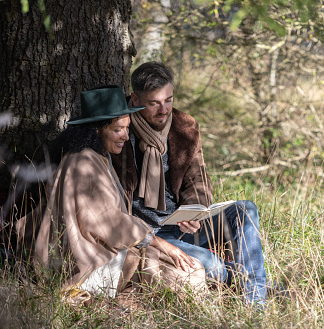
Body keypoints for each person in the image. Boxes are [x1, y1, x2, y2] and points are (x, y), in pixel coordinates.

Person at [15, 85, 206, 302]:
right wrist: (162, 244)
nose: (125, 136)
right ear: (96, 130)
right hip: (87, 260)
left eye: (127, 128)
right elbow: (104, 220)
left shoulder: (97, 157)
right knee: (186, 274)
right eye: (118, 130)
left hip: (106, 250)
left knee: (190, 269)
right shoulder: (82, 162)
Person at [111, 62, 268, 305]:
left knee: (245, 209)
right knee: (213, 267)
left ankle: (255, 304)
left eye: (169, 100)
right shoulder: (119, 128)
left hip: (181, 224)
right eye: (154, 103)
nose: (164, 110)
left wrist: (194, 210)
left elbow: (197, 179)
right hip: (151, 234)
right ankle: (247, 280)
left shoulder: (184, 126)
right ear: (135, 98)